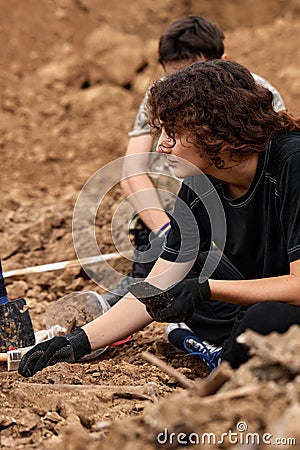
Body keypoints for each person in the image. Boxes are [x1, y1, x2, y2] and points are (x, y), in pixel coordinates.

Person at [19, 59, 300, 378]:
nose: (162, 144)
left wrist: (207, 289)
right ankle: (228, 347)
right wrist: (78, 342)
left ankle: (228, 364)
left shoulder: (291, 162)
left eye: (174, 134)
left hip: (286, 303)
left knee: (261, 320)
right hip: (261, 301)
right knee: (192, 273)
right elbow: (158, 284)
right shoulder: (200, 179)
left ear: (215, 132)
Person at [102, 15, 286, 306]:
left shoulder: (255, 93)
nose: (182, 90)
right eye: (173, 78)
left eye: (192, 75)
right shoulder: (163, 96)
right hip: (184, 199)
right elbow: (132, 172)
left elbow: (262, 175)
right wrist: (166, 232)